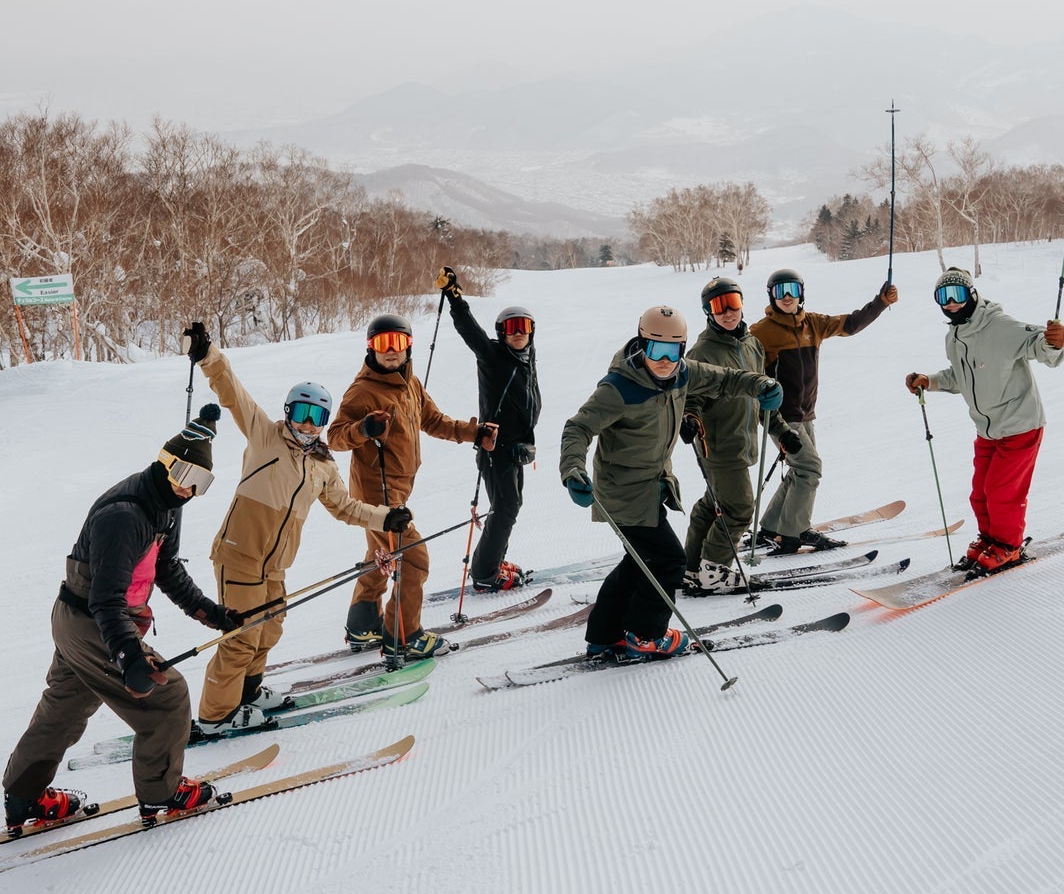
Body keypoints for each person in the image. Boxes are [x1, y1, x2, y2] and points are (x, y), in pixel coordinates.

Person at [0, 407, 242, 831]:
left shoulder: (168, 503)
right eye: (185, 475)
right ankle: (161, 793)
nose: (190, 490)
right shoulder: (125, 515)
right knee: (168, 700)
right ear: (165, 462)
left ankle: (23, 795)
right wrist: (129, 654)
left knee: (65, 709)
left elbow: (166, 569)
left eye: (201, 483)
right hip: (94, 620)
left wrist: (211, 612)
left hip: (80, 621)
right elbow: (107, 600)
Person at [185, 323, 409, 739]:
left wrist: (384, 518)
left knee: (269, 629)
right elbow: (232, 391)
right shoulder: (265, 436)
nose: (308, 425)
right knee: (240, 638)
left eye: (317, 417)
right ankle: (216, 715)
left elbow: (345, 507)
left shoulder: (322, 465)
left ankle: (247, 693)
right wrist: (208, 355)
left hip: (274, 567)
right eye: (301, 414)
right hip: (240, 555)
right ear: (288, 412)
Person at [558, 306, 783, 661]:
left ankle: (604, 635)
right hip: (622, 492)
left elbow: (727, 378)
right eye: (655, 351)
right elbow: (578, 428)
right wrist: (572, 470)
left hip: (651, 485)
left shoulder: (682, 373)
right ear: (641, 344)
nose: (664, 361)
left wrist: (761, 384)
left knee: (639, 561)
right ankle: (647, 636)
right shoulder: (619, 388)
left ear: (682, 349)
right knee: (668, 561)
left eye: (673, 351)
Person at [328, 313, 498, 659]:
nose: (390, 351)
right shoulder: (363, 391)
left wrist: (474, 433)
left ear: (408, 347)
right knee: (413, 558)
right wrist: (363, 429)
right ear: (371, 348)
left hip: (397, 489)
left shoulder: (410, 384)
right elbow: (334, 437)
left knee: (383, 554)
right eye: (382, 344)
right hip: (377, 496)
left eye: (398, 343)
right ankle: (403, 638)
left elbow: (433, 421)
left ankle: (362, 624)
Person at [904, 267, 1064, 575]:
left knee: (1001, 492)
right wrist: (931, 381)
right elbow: (959, 376)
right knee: (980, 492)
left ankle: (1008, 545)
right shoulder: (954, 337)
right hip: (987, 429)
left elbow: (1039, 344)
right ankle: (989, 539)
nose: (951, 303)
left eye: (958, 295)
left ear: (972, 294)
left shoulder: (998, 326)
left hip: (1020, 424)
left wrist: (1055, 342)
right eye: (944, 297)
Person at [748, 266, 898, 554]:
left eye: (793, 289)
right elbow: (744, 369)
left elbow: (850, 324)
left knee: (799, 469)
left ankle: (772, 526)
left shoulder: (813, 324)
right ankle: (795, 531)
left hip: (806, 413)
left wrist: (881, 303)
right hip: (780, 416)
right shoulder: (761, 332)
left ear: (801, 293)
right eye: (781, 291)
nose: (788, 296)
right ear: (772, 296)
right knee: (809, 469)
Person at [682, 276, 802, 591]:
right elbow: (689, 398)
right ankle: (714, 571)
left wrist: (783, 431)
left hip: (742, 441)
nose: (727, 312)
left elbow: (765, 399)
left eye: (732, 302)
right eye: (718, 306)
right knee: (739, 509)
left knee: (713, 504)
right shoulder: (702, 351)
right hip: (718, 445)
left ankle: (691, 567)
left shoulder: (752, 345)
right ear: (708, 311)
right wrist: (690, 418)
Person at [434, 266, 542, 594]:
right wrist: (455, 298)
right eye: (511, 327)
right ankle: (484, 573)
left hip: (516, 448)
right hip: (497, 449)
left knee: (509, 505)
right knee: (507, 506)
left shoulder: (526, 357)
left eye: (524, 326)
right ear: (501, 332)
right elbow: (472, 333)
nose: (518, 332)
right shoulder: (493, 356)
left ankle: (493, 562)